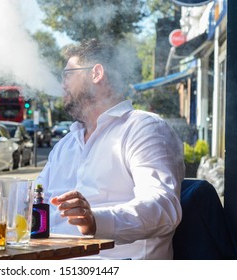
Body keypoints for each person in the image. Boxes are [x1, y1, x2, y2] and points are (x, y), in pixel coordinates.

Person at [36, 39, 185, 260]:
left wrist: (96, 220)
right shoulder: (64, 146)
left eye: (67, 75)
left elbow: (163, 207)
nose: (62, 85)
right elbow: (36, 199)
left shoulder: (143, 128)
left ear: (96, 73)